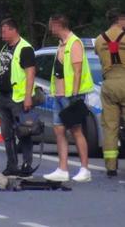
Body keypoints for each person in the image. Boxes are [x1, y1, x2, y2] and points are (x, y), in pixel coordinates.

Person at [43, 14, 94, 182]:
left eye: (52, 25)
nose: (51, 29)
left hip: (70, 95)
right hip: (58, 94)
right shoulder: (61, 44)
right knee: (59, 130)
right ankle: (62, 168)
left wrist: (74, 93)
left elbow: (77, 70)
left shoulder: (75, 43)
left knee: (76, 130)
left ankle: (85, 169)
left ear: (59, 25)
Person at [0, 18, 36, 176]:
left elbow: (30, 73)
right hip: (3, 96)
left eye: (4, 31)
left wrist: (28, 96)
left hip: (17, 97)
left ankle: (26, 164)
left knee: (24, 131)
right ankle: (11, 165)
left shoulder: (25, 48)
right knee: (6, 133)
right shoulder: (5, 48)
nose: (1, 34)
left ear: (13, 30)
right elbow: (1, 69)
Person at [95, 8, 125, 177]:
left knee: (110, 128)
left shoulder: (99, 40)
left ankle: (111, 167)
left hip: (108, 85)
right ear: (120, 20)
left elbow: (101, 59)